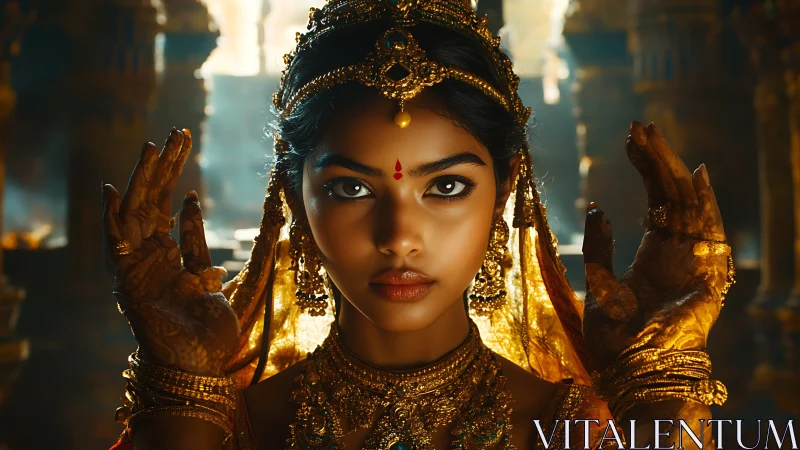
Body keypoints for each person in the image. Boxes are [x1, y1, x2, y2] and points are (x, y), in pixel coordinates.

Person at [102, 0, 735, 448]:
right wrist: (181, 388)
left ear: (504, 191)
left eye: (447, 187)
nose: (399, 235)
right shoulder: (233, 430)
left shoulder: (574, 431)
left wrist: (660, 374)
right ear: (295, 202)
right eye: (350, 188)